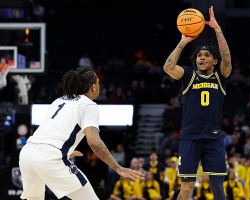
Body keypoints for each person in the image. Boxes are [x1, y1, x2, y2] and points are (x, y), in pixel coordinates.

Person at [19, 67, 144, 200]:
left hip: (27, 154)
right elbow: (94, 142)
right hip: (49, 157)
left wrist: (65, 151)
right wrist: (118, 167)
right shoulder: (88, 105)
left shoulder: (59, 101)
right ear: (94, 87)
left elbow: (50, 132)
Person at [162, 6, 231, 200]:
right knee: (187, 187)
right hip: (190, 138)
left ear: (214, 61)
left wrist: (217, 29)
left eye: (207, 55)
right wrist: (183, 42)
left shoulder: (221, 78)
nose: (202, 57)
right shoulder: (189, 76)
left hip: (213, 138)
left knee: (217, 186)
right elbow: (168, 67)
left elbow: (227, 58)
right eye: (200, 55)